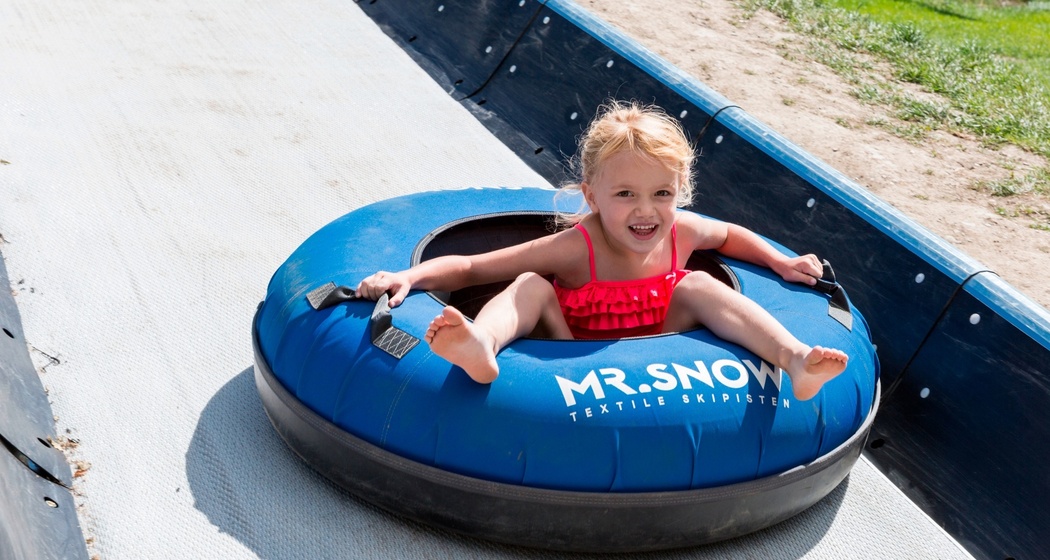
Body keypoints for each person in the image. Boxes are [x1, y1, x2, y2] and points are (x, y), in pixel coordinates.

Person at [357, 101, 847, 400]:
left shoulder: (683, 232)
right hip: (569, 343)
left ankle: (795, 359)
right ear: (592, 197)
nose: (646, 211)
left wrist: (781, 262)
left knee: (698, 283)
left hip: (662, 341)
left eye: (662, 194)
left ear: (680, 191)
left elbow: (729, 236)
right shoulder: (576, 247)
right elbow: (470, 267)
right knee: (528, 286)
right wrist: (409, 277)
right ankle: (481, 347)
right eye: (625, 194)